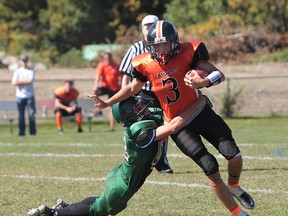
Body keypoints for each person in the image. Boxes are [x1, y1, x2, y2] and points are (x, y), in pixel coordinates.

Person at [86, 20, 255, 215]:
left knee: (234, 155)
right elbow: (133, 87)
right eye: (157, 45)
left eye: (165, 43)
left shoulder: (188, 52)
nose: (161, 49)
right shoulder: (144, 63)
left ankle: (234, 185)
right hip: (179, 126)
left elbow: (219, 74)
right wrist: (108, 102)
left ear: (174, 42)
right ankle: (237, 212)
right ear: (150, 46)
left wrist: (204, 81)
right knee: (210, 167)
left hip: (201, 113)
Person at [27, 94, 207, 216]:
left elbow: (161, 112)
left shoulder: (140, 121)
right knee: (97, 210)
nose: (141, 106)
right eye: (136, 106)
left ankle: (67, 208)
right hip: (124, 185)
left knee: (98, 203)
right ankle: (54, 213)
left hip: (121, 173)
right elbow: (173, 126)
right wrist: (197, 104)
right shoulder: (139, 131)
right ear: (130, 114)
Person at [120, 14, 173, 174]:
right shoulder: (136, 49)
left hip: (163, 94)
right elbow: (126, 74)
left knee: (165, 127)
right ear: (142, 29)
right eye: (147, 26)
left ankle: (161, 160)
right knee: (140, 128)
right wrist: (126, 97)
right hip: (143, 95)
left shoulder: (167, 46)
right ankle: (137, 160)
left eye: (153, 25)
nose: (150, 29)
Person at [93, 52, 122, 131]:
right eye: (106, 58)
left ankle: (112, 127)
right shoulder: (101, 65)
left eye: (108, 58)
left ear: (111, 58)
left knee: (112, 107)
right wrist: (95, 85)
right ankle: (98, 110)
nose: (107, 60)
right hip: (106, 87)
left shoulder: (116, 66)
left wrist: (121, 85)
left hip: (114, 89)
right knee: (95, 91)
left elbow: (122, 76)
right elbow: (98, 76)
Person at [11, 54, 37, 136]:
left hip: (30, 96)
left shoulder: (31, 70)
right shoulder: (17, 71)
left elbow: (30, 81)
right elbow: (14, 82)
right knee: (21, 115)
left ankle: (32, 132)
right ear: (20, 61)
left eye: (25, 60)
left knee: (31, 114)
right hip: (20, 96)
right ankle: (22, 132)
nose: (24, 62)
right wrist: (23, 82)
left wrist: (20, 82)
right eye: (22, 60)